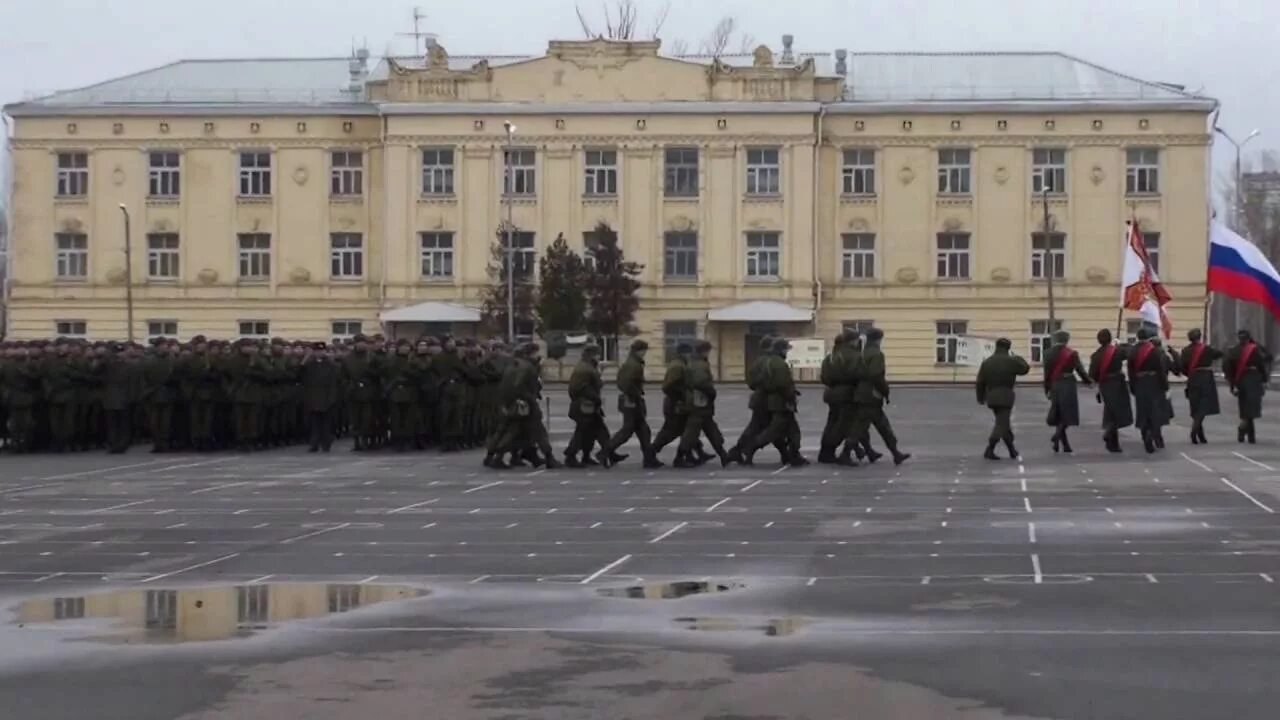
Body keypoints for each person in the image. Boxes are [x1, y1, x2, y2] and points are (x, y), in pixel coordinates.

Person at [843, 328, 910, 465]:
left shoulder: (861, 354)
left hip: (862, 394)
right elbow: (876, 375)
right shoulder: (877, 354)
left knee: (879, 426)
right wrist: (885, 390)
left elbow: (853, 373)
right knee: (864, 427)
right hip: (872, 396)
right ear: (878, 339)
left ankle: (895, 452)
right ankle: (846, 454)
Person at [748, 338, 807, 466]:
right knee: (776, 431)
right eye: (786, 349)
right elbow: (783, 383)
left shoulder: (769, 361)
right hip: (782, 402)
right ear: (781, 350)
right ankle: (752, 447)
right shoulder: (779, 363)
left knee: (790, 430)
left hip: (773, 401)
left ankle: (793, 455)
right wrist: (790, 395)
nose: (787, 352)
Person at [604, 339, 663, 468]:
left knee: (643, 431)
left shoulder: (633, 363)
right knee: (628, 431)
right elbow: (625, 383)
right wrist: (634, 395)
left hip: (631, 400)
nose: (644, 354)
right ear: (639, 351)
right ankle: (605, 451)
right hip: (631, 401)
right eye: (644, 351)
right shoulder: (633, 365)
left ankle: (649, 459)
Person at [676, 340, 731, 467]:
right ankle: (680, 457)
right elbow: (701, 382)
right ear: (703, 351)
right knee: (692, 432)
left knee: (711, 430)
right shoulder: (699, 365)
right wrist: (711, 392)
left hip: (700, 403)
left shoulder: (695, 363)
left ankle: (723, 455)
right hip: (698, 403)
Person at [975, 338, 1030, 460]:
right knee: (1001, 424)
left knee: (1003, 423)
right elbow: (1025, 369)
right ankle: (990, 449)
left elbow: (980, 382)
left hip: (992, 396)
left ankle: (1012, 450)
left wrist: (980, 397)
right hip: (1006, 396)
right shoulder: (1011, 361)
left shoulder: (987, 362)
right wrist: (1018, 357)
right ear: (1008, 348)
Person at [1042, 331, 1091, 453]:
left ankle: (1064, 445)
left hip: (1055, 384)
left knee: (1059, 414)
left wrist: (1047, 389)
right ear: (1067, 340)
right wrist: (1088, 382)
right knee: (1067, 415)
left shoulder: (1047, 353)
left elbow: (1046, 374)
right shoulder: (1072, 354)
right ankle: (1057, 436)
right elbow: (1080, 370)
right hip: (1068, 383)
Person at [564, 344, 613, 468]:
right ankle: (571, 455)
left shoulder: (587, 366)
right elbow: (580, 388)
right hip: (584, 406)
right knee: (583, 433)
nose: (599, 357)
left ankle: (598, 454)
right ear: (592, 355)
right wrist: (595, 398)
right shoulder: (585, 368)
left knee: (592, 432)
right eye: (598, 354)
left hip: (588, 405)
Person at [1224, 329, 1272, 444]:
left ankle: (1251, 436)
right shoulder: (1255, 349)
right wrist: (1265, 380)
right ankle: (1243, 427)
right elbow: (1262, 363)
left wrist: (1232, 385)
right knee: (1252, 408)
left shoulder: (1233, 351)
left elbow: (1228, 369)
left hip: (1240, 381)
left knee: (1245, 407)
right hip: (1254, 379)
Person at [1088, 329, 1133, 453]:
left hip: (1105, 385)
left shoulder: (1096, 355)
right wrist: (1120, 344)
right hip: (1118, 384)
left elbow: (1092, 375)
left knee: (1110, 412)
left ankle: (1113, 445)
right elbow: (1131, 352)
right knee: (1117, 414)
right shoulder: (1117, 351)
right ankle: (1108, 433)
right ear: (1110, 338)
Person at [1128, 327, 1171, 453]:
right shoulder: (1155, 351)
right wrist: (1165, 386)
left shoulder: (1132, 351)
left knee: (1143, 410)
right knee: (1155, 411)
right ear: (1149, 338)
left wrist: (1132, 386)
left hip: (1140, 383)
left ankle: (1144, 432)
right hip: (1154, 383)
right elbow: (1161, 370)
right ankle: (1152, 434)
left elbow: (1131, 372)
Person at [1179, 328, 1222, 444]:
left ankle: (1200, 435)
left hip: (1193, 379)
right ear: (1199, 337)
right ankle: (1194, 430)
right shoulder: (1207, 349)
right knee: (1203, 407)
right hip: (1206, 378)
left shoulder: (1185, 350)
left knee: (1196, 406)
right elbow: (1219, 354)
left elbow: (1183, 368)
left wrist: (1190, 374)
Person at [301, 343, 341, 452]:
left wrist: (332, 398)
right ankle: (314, 444)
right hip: (313, 397)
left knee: (326, 424)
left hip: (326, 397)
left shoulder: (330, 365)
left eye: (322, 351)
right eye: (317, 351)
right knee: (314, 424)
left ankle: (326, 444)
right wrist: (305, 359)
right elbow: (301, 375)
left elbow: (333, 383)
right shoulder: (310, 365)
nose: (319, 353)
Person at [142, 340, 180, 453]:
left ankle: (164, 443)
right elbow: (144, 378)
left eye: (166, 346)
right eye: (163, 346)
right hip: (154, 394)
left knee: (166, 422)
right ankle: (157, 443)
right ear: (157, 348)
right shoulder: (149, 361)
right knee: (154, 422)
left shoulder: (172, 360)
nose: (165, 348)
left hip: (167, 393)